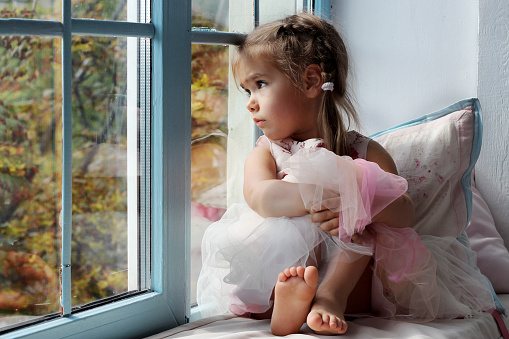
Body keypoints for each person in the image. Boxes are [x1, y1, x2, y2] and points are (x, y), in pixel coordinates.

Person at [197, 12, 495, 336]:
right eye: (247, 91)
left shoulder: (364, 152)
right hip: (284, 266)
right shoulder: (267, 150)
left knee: (361, 229)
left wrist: (359, 200)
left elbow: (405, 210)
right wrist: (320, 194)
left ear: (311, 81)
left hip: (355, 286)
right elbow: (260, 197)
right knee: (277, 246)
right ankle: (287, 304)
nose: (250, 104)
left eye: (261, 85)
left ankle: (328, 297)